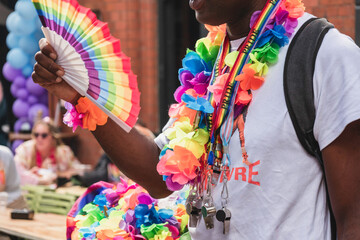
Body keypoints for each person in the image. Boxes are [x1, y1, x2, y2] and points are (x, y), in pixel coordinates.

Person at [31, 0, 360, 239]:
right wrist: (80, 97)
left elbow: (354, 219)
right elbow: (158, 175)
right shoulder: (211, 64)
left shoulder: (325, 55)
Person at [14, 117, 79, 185]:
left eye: (44, 135)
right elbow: (17, 174)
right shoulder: (25, 149)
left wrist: (58, 174)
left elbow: (78, 170)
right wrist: (32, 174)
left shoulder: (64, 152)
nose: (39, 138)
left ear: (53, 137)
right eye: (36, 135)